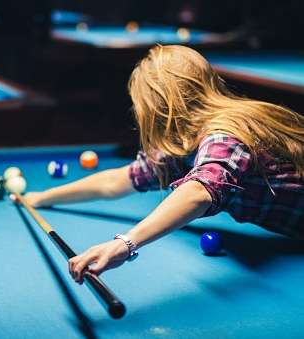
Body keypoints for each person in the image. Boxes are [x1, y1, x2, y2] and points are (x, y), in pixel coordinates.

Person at [16, 45, 304, 284]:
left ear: (158, 105)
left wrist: (125, 244)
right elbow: (116, 181)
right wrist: (41, 198)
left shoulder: (225, 134)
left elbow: (200, 191)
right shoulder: (180, 148)